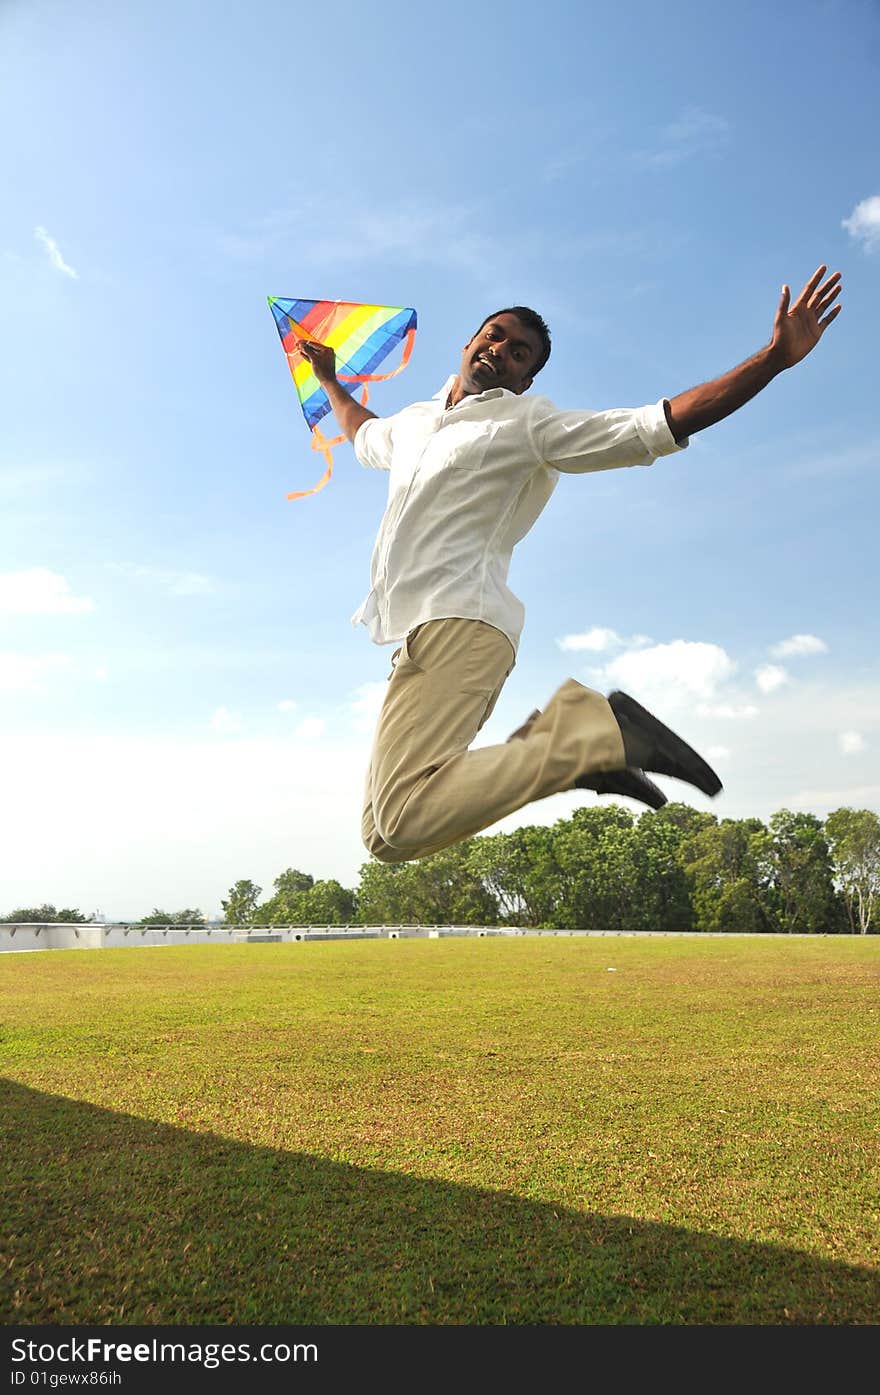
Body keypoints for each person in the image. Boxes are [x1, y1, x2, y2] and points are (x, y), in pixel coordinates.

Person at [298, 267, 842, 863]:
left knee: (403, 823)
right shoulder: (413, 424)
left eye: (519, 351)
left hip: (463, 622)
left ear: (527, 377)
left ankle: (585, 739)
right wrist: (327, 380)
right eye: (495, 335)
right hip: (415, 635)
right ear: (470, 342)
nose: (500, 349)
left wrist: (771, 359)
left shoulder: (528, 425)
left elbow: (655, 423)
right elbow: (361, 432)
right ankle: (557, 745)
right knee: (384, 837)